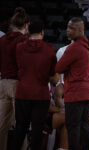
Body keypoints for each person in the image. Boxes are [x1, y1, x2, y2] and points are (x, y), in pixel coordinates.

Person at [55, 17, 89, 150]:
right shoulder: (88, 45)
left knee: (73, 127)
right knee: (83, 125)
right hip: (88, 92)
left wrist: (68, 66)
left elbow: (58, 68)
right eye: (68, 27)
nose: (67, 31)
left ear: (81, 30)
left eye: (72, 28)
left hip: (76, 92)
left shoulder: (73, 48)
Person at [12, 20, 57, 150]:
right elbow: (52, 73)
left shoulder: (19, 47)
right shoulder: (49, 48)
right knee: (37, 130)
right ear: (42, 33)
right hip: (41, 94)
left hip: (22, 92)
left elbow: (17, 66)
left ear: (28, 32)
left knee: (20, 129)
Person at [0, 7, 29, 150]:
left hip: (3, 83)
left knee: (1, 125)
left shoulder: (3, 39)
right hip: (18, 84)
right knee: (21, 124)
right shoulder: (24, 40)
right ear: (26, 25)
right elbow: (25, 64)